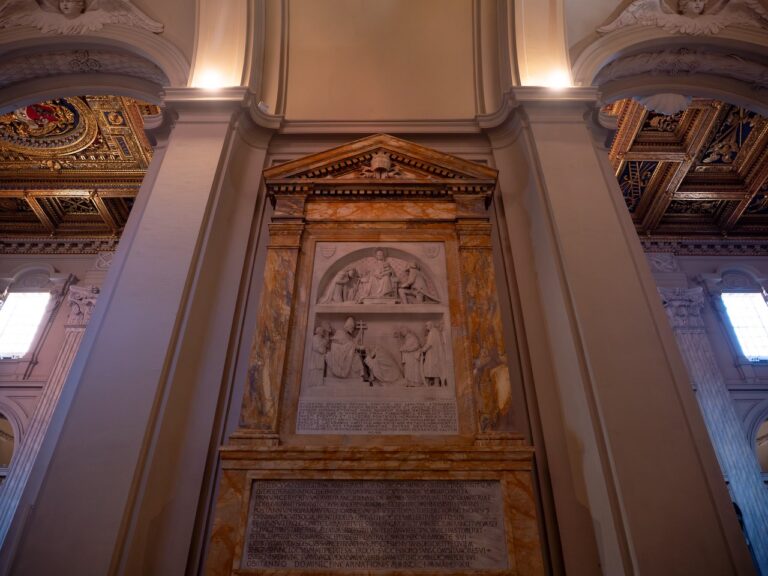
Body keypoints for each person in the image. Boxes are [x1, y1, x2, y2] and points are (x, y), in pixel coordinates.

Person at [422, 321, 446, 387]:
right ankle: (436, 383)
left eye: (427, 326)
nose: (426, 327)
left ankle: (434, 384)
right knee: (434, 368)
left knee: (430, 368)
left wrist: (422, 350)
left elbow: (429, 344)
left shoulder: (432, 332)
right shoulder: (436, 332)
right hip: (435, 352)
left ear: (430, 325)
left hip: (432, 353)